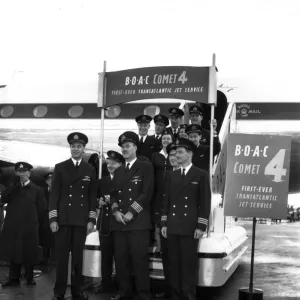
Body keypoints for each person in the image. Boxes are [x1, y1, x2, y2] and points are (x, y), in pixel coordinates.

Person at [49, 132, 97, 300]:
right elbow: (54, 195)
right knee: (61, 259)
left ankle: (78, 291)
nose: (75, 149)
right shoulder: (60, 167)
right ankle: (59, 292)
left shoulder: (90, 169)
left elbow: (92, 197)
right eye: (73, 146)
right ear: (70, 148)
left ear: (84, 149)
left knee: (78, 259)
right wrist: (53, 218)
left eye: (79, 146)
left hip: (80, 220)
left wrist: (92, 219)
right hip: (63, 220)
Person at [161, 139, 211, 300]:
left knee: (188, 265)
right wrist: (164, 223)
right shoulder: (171, 175)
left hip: (190, 227)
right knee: (173, 264)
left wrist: (201, 226)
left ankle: (188, 296)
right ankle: (175, 296)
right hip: (173, 226)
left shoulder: (201, 174)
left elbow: (205, 202)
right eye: (176, 153)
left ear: (190, 154)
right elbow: (166, 201)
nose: (177, 156)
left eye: (181, 152)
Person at [110, 131, 154, 300]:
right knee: (121, 261)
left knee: (139, 260)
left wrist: (131, 212)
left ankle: (144, 295)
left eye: (128, 146)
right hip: (119, 222)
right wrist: (115, 210)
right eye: (122, 147)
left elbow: (146, 193)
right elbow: (113, 193)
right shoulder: (119, 170)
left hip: (138, 223)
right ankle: (124, 292)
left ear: (135, 147)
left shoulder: (145, 166)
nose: (125, 149)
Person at [0, 162, 46, 287]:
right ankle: (13, 278)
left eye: (24, 171)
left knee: (29, 252)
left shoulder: (37, 189)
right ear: (16, 173)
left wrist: (39, 226)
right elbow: (4, 199)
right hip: (14, 225)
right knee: (14, 251)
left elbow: (41, 210)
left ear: (29, 173)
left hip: (29, 226)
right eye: (19, 171)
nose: (22, 174)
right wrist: (12, 185)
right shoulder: (13, 187)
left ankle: (29, 277)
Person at [94, 150, 124, 294]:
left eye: (114, 163)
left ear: (120, 164)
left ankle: (120, 284)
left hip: (120, 224)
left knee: (120, 257)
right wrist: (98, 202)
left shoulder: (125, 180)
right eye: (109, 162)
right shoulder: (102, 182)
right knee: (105, 256)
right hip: (105, 223)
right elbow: (94, 198)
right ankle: (105, 283)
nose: (110, 165)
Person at [151, 131, 173, 253]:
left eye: (168, 138)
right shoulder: (155, 155)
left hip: (171, 189)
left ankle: (169, 245)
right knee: (157, 220)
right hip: (158, 191)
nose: (165, 141)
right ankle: (159, 246)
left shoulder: (174, 154)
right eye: (164, 138)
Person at [40, 172, 55, 264]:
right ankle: (45, 258)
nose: (51, 181)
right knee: (45, 239)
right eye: (49, 180)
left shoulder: (59, 191)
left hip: (56, 218)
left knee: (55, 239)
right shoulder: (42, 191)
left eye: (52, 179)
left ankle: (54, 259)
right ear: (46, 181)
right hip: (45, 218)